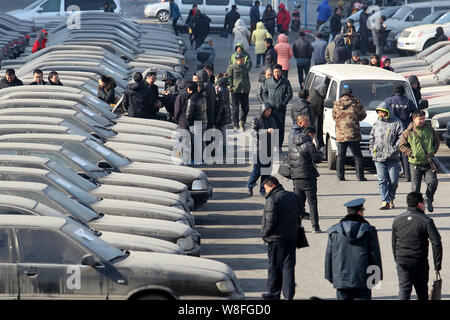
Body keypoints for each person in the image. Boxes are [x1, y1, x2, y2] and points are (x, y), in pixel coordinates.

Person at [325, 198, 383, 300]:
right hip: (363, 279)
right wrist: (375, 278)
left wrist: (330, 277)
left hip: (341, 280)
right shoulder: (368, 231)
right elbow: (375, 255)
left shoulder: (335, 231)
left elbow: (329, 255)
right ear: (360, 212)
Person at [392, 191, 442, 301]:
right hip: (419, 261)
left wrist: (397, 259)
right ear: (419, 204)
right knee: (422, 291)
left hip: (402, 260)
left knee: (404, 289)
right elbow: (436, 243)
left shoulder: (397, 220)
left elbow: (394, 243)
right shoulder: (426, 221)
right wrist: (437, 265)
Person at [261, 176, 303, 300]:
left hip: (276, 239)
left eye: (266, 189)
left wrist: (265, 234)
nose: (266, 191)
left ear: (272, 186)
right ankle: (289, 295)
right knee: (288, 267)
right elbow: (300, 213)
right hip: (291, 237)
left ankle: (273, 294)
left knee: (274, 267)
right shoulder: (293, 196)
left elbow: (270, 220)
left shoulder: (272, 199)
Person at [399, 110, 440, 212]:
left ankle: (428, 199)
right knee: (415, 189)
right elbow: (401, 145)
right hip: (415, 163)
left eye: (423, 118)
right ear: (414, 119)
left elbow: (437, 142)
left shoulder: (430, 129)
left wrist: (432, 151)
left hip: (428, 163)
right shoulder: (409, 131)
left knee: (433, 183)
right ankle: (414, 209)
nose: (422, 121)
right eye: (420, 119)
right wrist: (411, 153)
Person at [287, 126, 323, 233]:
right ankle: (315, 227)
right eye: (313, 136)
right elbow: (317, 159)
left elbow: (289, 161)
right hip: (308, 178)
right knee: (312, 203)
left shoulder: (292, 145)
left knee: (298, 204)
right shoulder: (309, 144)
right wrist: (320, 152)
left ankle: (296, 227)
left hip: (296, 178)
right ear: (310, 134)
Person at [369, 102, 403, 210]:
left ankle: (391, 198)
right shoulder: (376, 123)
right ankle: (385, 201)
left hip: (392, 157)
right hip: (378, 157)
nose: (381, 114)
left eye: (383, 112)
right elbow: (372, 138)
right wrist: (372, 150)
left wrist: (394, 149)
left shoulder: (396, 122)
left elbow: (401, 137)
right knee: (382, 180)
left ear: (388, 112)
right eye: (379, 112)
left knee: (394, 180)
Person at [332, 85, 367, 181]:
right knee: (357, 156)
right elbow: (362, 116)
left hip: (341, 134)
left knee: (340, 156)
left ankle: (340, 176)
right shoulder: (356, 103)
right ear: (351, 94)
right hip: (353, 134)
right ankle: (360, 176)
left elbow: (334, 117)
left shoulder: (337, 104)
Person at [384, 84, 417, 182]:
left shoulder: (388, 101)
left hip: (391, 128)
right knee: (405, 152)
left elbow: (383, 113)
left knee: (390, 151)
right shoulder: (408, 101)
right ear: (403, 92)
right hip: (405, 129)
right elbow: (416, 114)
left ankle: (389, 175)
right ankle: (408, 176)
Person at [259, 64, 293, 151]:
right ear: (273, 72)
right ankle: (270, 145)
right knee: (270, 128)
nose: (277, 73)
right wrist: (266, 103)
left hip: (281, 109)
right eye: (275, 72)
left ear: (281, 72)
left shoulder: (285, 82)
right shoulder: (268, 82)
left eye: (278, 72)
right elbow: (264, 93)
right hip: (270, 109)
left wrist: (284, 103)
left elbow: (290, 94)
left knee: (280, 127)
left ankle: (279, 145)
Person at [248, 102, 278, 196]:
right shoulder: (255, 120)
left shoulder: (272, 120)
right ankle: (250, 184)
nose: (269, 112)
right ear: (263, 110)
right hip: (258, 150)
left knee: (266, 172)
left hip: (268, 149)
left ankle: (263, 190)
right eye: (267, 110)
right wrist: (266, 132)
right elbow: (254, 134)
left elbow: (275, 132)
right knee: (257, 170)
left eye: (270, 111)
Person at [227, 53, 251, 132]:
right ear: (238, 59)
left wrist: (248, 86)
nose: (244, 60)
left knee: (246, 108)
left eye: (244, 58)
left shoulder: (244, 67)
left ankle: (242, 122)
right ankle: (235, 124)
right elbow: (229, 77)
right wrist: (230, 86)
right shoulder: (232, 67)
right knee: (235, 108)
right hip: (235, 90)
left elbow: (247, 77)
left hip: (245, 90)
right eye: (243, 59)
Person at [186, 81, 208, 165]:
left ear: (189, 89)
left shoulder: (191, 99)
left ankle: (197, 160)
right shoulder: (202, 96)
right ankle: (203, 158)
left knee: (195, 142)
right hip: (204, 120)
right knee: (202, 141)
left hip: (195, 123)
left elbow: (189, 113)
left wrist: (188, 122)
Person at [214, 74, 232, 145]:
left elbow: (221, 104)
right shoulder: (226, 88)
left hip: (221, 114)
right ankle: (224, 148)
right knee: (223, 131)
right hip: (225, 112)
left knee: (221, 131)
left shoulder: (220, 89)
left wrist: (217, 117)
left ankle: (221, 147)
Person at [309, 82, 327, 148]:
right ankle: (319, 145)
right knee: (317, 128)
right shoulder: (317, 97)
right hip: (316, 115)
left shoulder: (314, 92)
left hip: (314, 114)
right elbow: (319, 111)